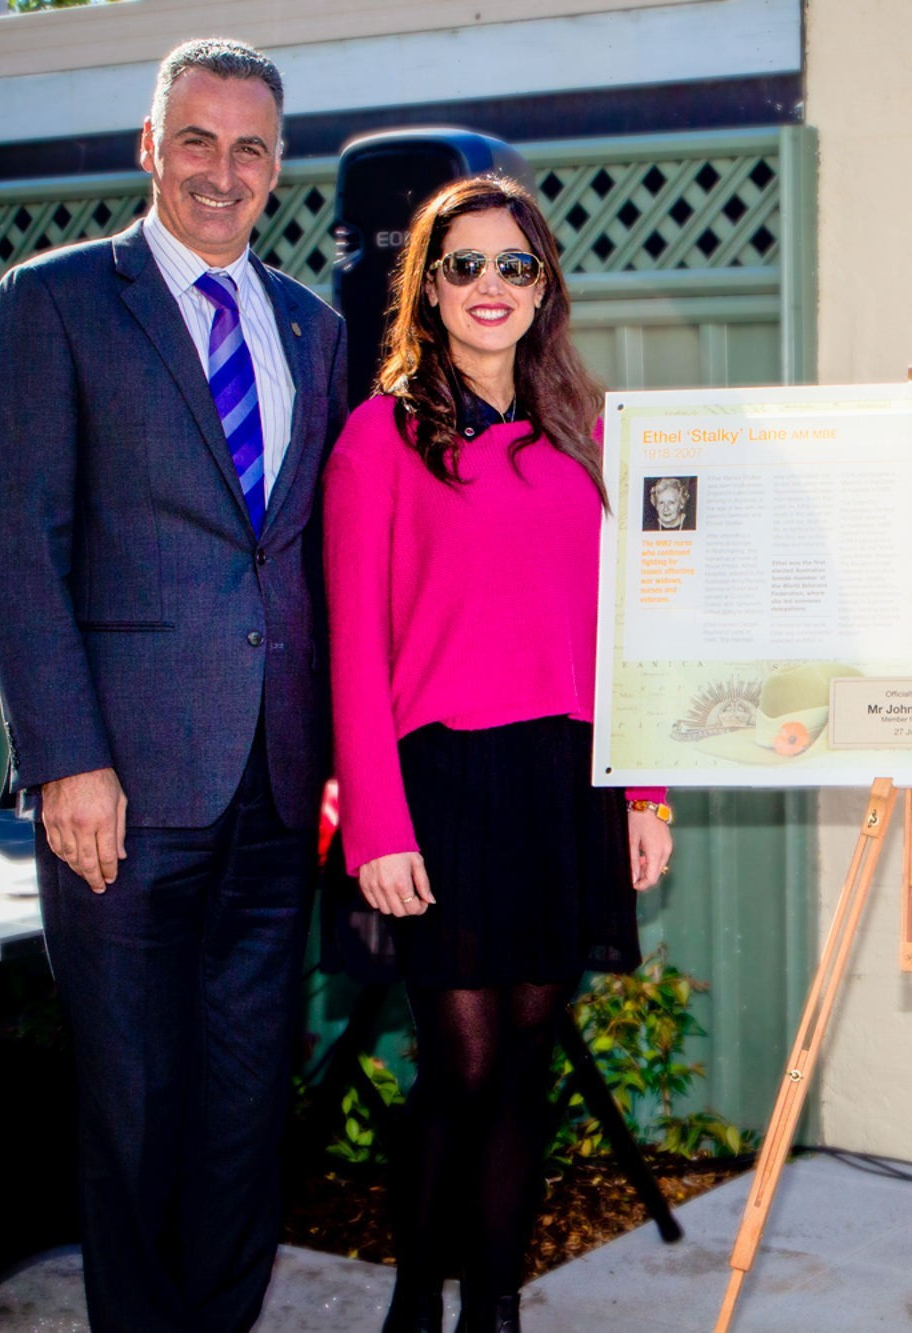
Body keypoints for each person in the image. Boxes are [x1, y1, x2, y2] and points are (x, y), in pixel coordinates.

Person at [0, 39, 346, 1333]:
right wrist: (66, 757)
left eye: (249, 148)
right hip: (118, 788)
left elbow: (316, 559)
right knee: (133, 1099)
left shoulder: (314, 325)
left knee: (247, 1096)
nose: (221, 172)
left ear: (277, 168)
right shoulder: (61, 301)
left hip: (278, 781)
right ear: (151, 146)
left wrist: (344, 751)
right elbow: (18, 544)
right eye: (198, 140)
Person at [324, 174, 674, 1333]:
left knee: (526, 1062)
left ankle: (494, 1306)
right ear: (428, 286)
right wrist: (376, 825)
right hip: (442, 787)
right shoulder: (380, 438)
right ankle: (416, 1301)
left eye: (512, 266)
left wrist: (645, 790)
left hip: (564, 783)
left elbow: (630, 626)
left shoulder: (584, 431)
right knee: (461, 1064)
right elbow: (353, 649)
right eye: (464, 264)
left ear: (542, 288)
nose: (489, 286)